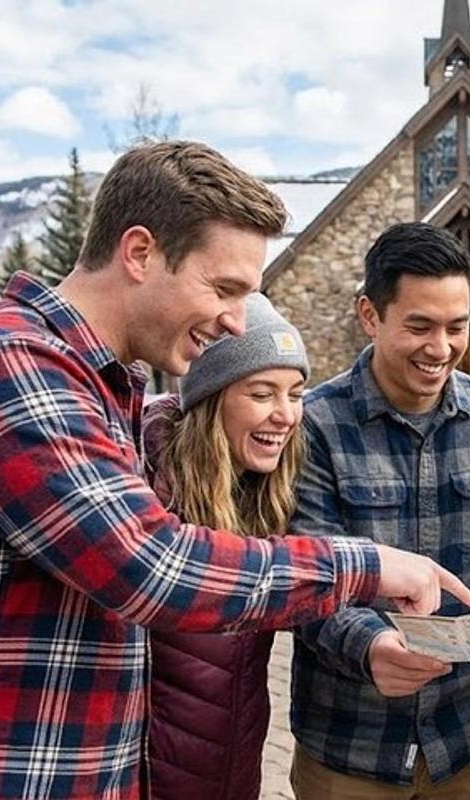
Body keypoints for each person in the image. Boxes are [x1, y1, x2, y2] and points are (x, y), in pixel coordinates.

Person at [0, 141, 470, 799]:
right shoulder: (9, 363)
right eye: (224, 289)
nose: (234, 319)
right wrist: (366, 565)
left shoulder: (105, 383)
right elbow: (153, 567)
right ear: (140, 253)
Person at [286, 222, 470, 800]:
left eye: (458, 327)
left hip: (469, 741)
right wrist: (370, 645)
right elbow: (304, 576)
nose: (441, 348)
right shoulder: (313, 425)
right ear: (370, 315)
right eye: (420, 326)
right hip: (348, 748)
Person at [141, 293, 312, 799]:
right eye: (262, 394)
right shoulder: (151, 492)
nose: (285, 415)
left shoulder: (263, 494)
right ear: (212, 398)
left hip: (231, 769)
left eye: (296, 394)